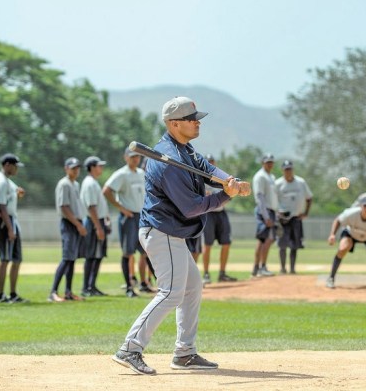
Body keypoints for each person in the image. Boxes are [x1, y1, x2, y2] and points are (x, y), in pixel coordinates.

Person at [112, 96, 251, 375]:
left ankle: (185, 353)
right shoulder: (167, 161)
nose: (197, 122)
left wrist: (230, 181)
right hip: (162, 231)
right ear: (174, 124)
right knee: (171, 293)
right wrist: (225, 196)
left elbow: (208, 170)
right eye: (192, 119)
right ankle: (130, 348)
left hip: (171, 232)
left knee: (192, 287)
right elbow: (191, 208)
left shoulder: (185, 151)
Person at [103, 147, 147, 297]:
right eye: (133, 156)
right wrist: (121, 208)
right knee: (128, 252)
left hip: (141, 216)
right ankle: (129, 287)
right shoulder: (122, 174)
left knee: (146, 251)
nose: (136, 159)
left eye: (138, 157)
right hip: (129, 217)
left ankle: (144, 283)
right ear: (126, 157)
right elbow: (107, 191)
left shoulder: (141, 174)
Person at [0, 153, 28, 304]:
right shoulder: (0, 181)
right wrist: (10, 228)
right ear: (7, 165)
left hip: (12, 220)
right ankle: (0, 294)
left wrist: (18, 194)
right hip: (4, 222)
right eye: (15, 166)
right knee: (5, 259)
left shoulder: (8, 182)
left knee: (17, 259)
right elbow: (1, 206)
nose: (17, 169)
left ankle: (12, 293)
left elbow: (10, 197)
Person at [49, 157, 87, 302]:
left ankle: (68, 292)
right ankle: (53, 292)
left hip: (76, 222)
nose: (76, 170)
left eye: (77, 168)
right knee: (66, 258)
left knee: (72, 259)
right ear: (66, 169)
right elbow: (64, 207)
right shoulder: (64, 184)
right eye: (73, 168)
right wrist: (78, 225)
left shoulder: (75, 184)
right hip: (69, 223)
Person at [202, 154, 237, 284]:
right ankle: (206, 273)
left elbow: (230, 193)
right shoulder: (201, 179)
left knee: (226, 242)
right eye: (208, 162)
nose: (211, 163)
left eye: (212, 162)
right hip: (209, 213)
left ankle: (222, 273)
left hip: (221, 212)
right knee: (208, 244)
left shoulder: (220, 178)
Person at [274, 160, 312, 274]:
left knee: (295, 244)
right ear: (283, 170)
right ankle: (282, 268)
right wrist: (277, 212)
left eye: (290, 169)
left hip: (296, 217)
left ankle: (292, 269)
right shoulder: (278, 183)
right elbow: (273, 200)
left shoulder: (300, 182)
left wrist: (305, 213)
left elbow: (309, 198)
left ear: (293, 169)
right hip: (282, 218)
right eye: (286, 169)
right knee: (282, 244)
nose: (288, 171)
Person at [80, 156, 110, 297]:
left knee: (97, 256)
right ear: (92, 167)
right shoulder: (90, 183)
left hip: (97, 221)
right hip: (94, 222)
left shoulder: (93, 182)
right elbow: (91, 206)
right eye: (99, 166)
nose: (101, 168)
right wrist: (98, 227)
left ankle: (91, 286)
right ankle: (87, 287)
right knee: (92, 256)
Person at [251, 153, 279, 277]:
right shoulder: (260, 176)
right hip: (264, 210)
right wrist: (266, 216)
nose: (270, 164)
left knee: (269, 239)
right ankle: (258, 268)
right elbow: (259, 196)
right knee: (263, 239)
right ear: (263, 163)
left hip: (271, 210)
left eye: (271, 162)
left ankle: (261, 267)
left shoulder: (271, 176)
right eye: (267, 162)